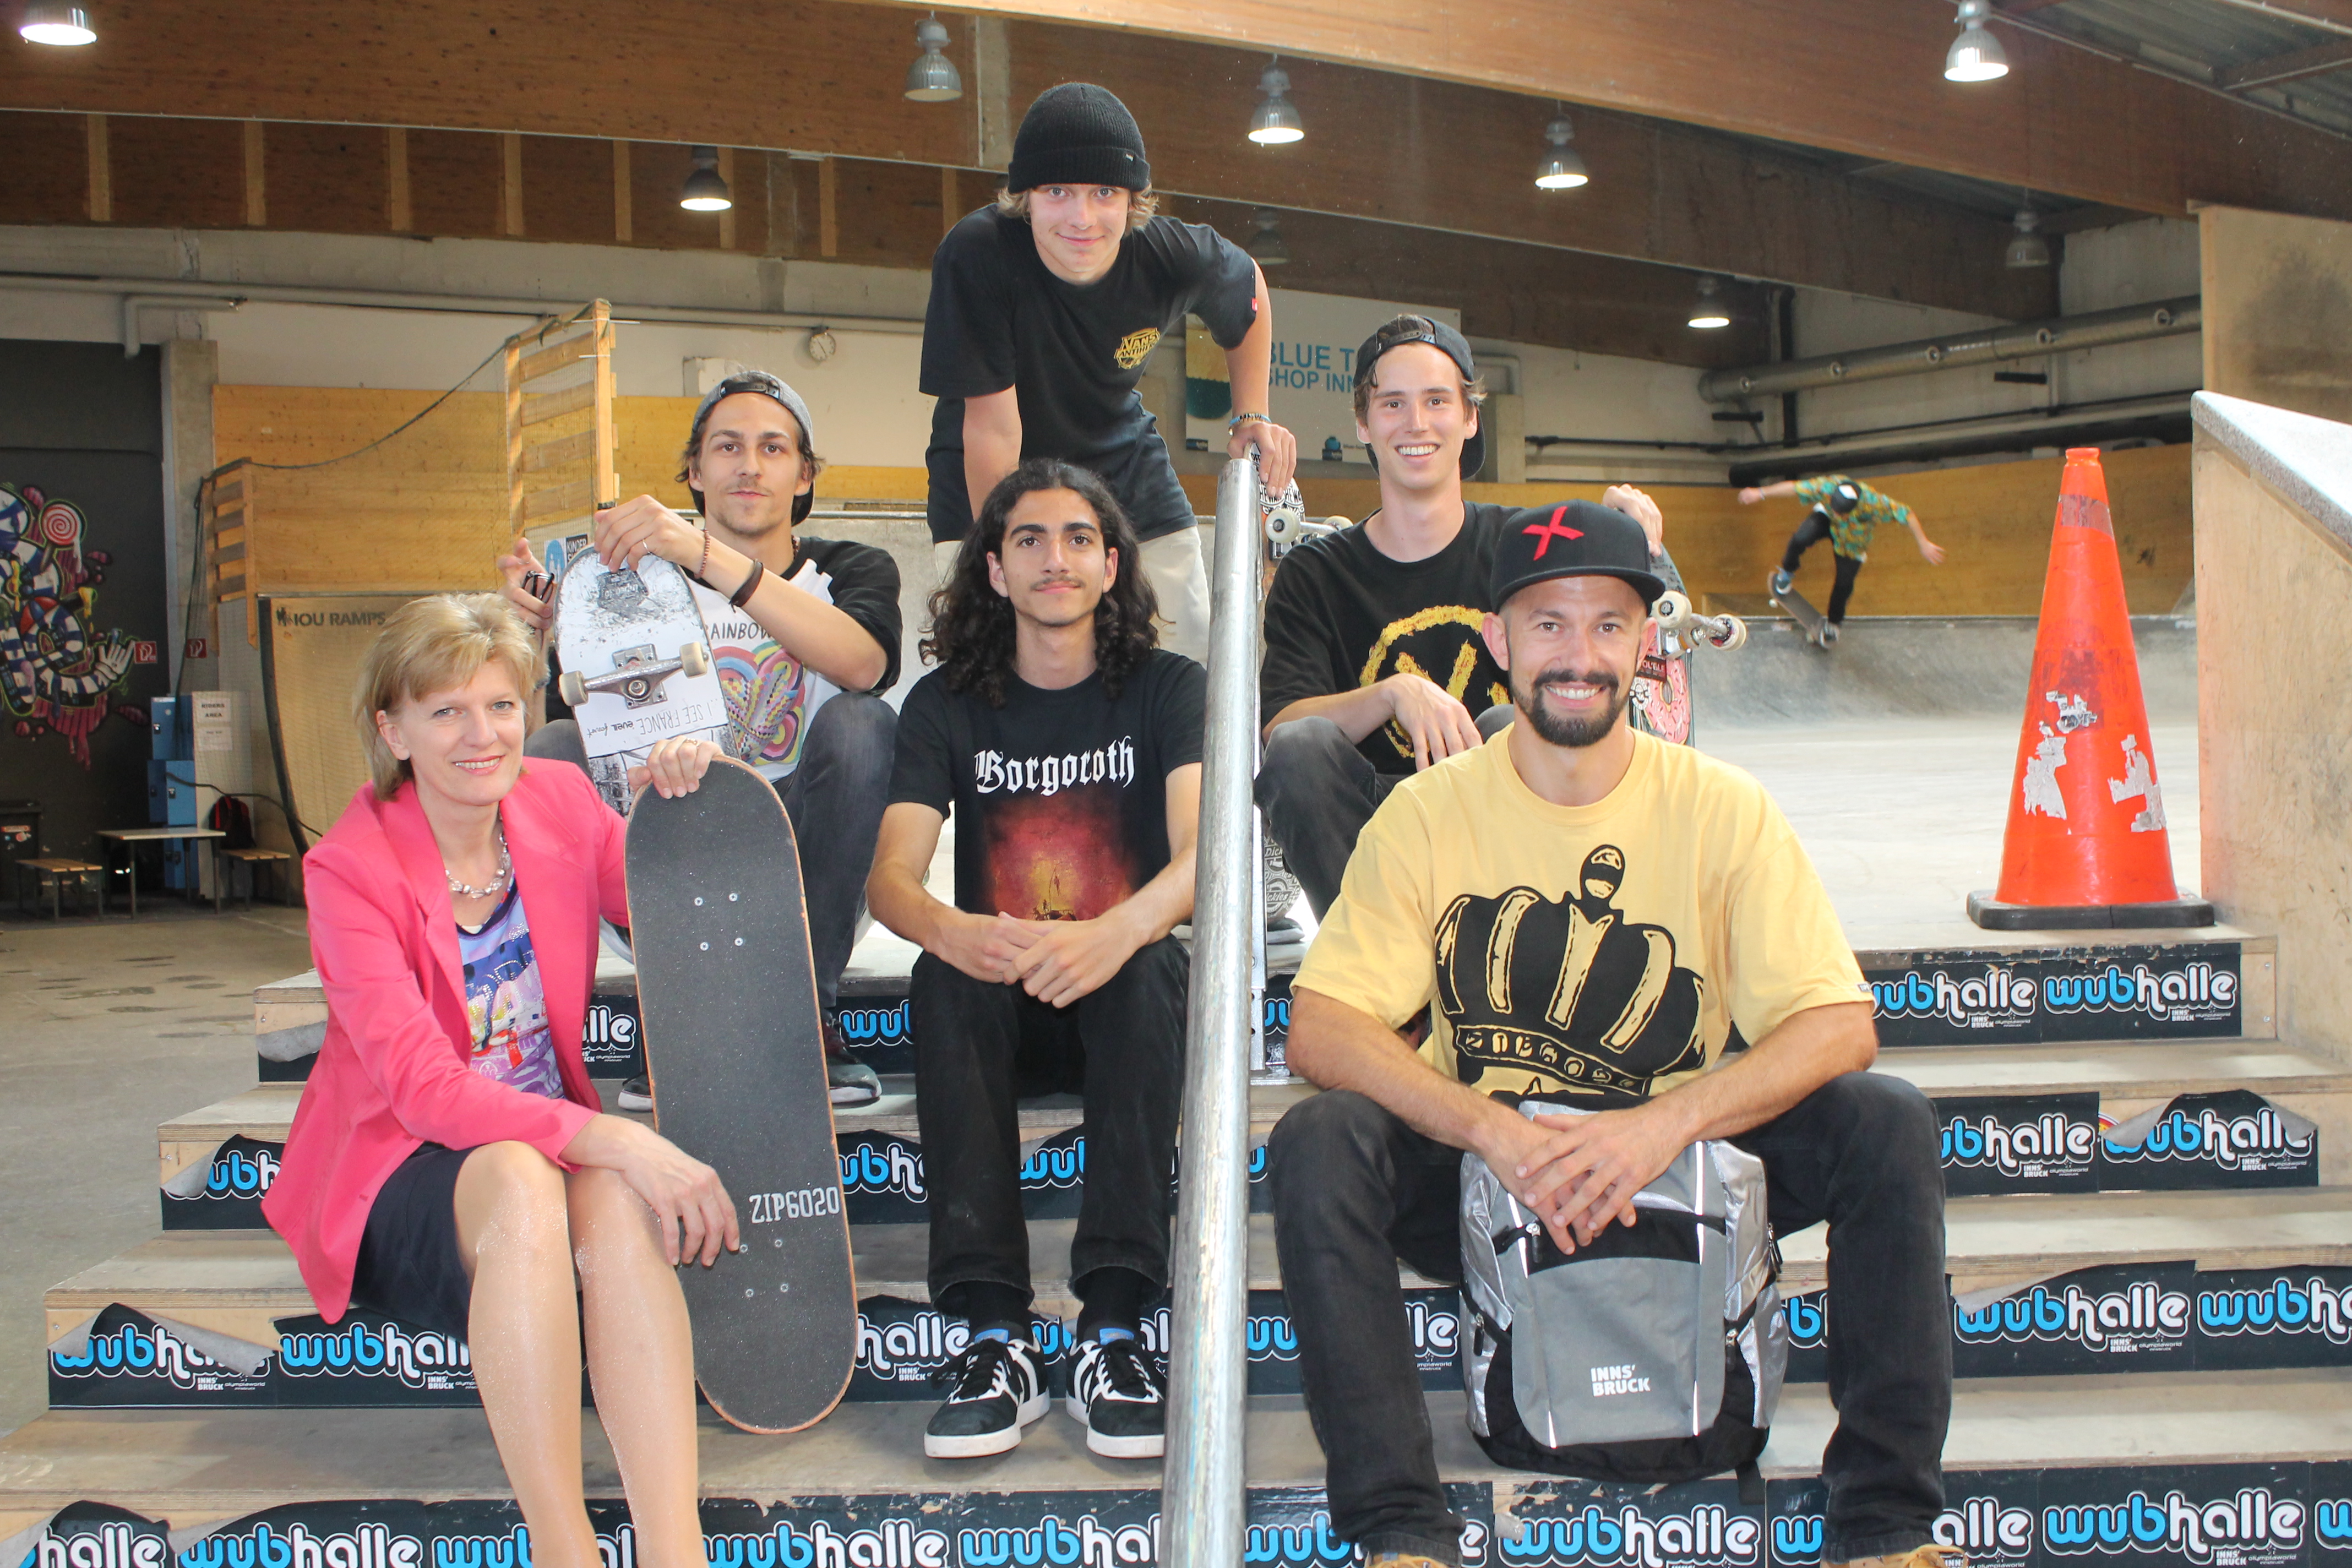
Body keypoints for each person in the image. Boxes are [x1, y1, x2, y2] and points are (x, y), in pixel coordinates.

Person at [1267, 503, 1953, 1568]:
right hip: (1484, 1171)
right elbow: (1321, 1025)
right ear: (1497, 644)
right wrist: (1494, 1131)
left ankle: (1884, 1523)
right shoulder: (1427, 811)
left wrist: (1661, 1127)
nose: (1576, 655)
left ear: (1645, 642)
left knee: (1886, 1121)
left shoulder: (1723, 807)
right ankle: (1399, 1527)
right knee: (1320, 1140)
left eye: (1604, 624)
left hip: (1679, 1160)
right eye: (1546, 625)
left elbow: (1837, 1024)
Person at [265, 594, 736, 1568]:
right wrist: (626, 1135)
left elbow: (674, 914)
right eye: (445, 711)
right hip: (410, 1167)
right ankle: (562, 1548)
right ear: (392, 730)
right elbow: (424, 1090)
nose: (482, 734)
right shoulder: (347, 868)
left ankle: (672, 1549)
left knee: (604, 1188)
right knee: (543, 1174)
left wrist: (685, 799)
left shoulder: (559, 804)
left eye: (501, 704)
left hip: (543, 1144)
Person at [868, 458, 1204, 1461]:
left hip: (1120, 994)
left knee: (1151, 967)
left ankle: (1112, 1329)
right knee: (940, 975)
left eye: (1074, 539)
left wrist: (1118, 929)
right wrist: (949, 926)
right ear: (994, 571)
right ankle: (992, 1337)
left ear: (1110, 565)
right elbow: (890, 879)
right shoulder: (946, 702)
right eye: (1026, 539)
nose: (1052, 558)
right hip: (1001, 1001)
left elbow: (1204, 858)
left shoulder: (1166, 687)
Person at [500, 369, 901, 1108]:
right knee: (552, 749)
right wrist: (526, 639)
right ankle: (662, 1018)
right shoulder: (631, 584)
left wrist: (700, 553)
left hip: (801, 849)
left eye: (773, 447)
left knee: (863, 722)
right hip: (665, 833)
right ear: (694, 470)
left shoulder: (850, 569)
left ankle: (807, 1015)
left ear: (803, 474)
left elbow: (863, 665)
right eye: (727, 446)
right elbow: (549, 736)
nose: (749, 465)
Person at [1255, 313, 1664, 917]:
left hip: (1502, 819)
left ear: (1470, 418)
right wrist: (1395, 693)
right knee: (1299, 746)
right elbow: (1280, 727)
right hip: (1371, 830)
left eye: (1437, 401)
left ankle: (1524, 943)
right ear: (1363, 425)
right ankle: (1372, 968)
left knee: (1508, 722)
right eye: (1392, 404)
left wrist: (1620, 524)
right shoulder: (1315, 574)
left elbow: (1597, 591)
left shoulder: (1523, 546)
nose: (1416, 423)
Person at [920, 80, 1298, 666]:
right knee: (1000, 663)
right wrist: (1005, 557)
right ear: (1026, 199)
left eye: (1104, 192)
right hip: (997, 471)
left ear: (1133, 201)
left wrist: (1252, 413)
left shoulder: (1169, 256)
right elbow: (994, 431)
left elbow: (1247, 288)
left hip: (1123, 465)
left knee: (1188, 649)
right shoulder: (978, 256)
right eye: (1057, 192)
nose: (1083, 218)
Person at [1742, 473, 1946, 643]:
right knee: (1800, 538)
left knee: (1844, 583)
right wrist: (1760, 493)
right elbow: (1794, 488)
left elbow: (1907, 514)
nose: (1839, 515)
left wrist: (1923, 543)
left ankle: (1834, 624)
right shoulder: (1828, 487)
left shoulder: (1874, 502)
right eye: (1836, 510)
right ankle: (1787, 572)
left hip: (1852, 541)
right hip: (1825, 521)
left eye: (1842, 514)